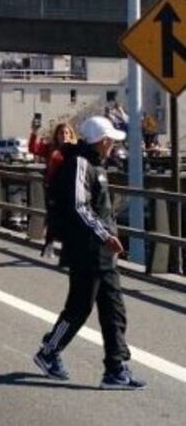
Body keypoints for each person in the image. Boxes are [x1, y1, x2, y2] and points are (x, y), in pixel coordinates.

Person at [34, 116, 146, 390]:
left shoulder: (96, 164)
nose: (112, 146)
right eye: (110, 140)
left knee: (114, 309)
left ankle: (116, 367)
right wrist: (105, 235)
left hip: (102, 251)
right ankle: (49, 350)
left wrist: (109, 235)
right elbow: (80, 207)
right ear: (102, 140)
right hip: (86, 249)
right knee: (79, 307)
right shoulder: (80, 163)